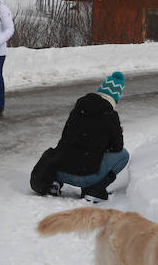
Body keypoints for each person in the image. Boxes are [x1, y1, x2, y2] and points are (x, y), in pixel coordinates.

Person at [51, 71, 130, 203]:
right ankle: (94, 189)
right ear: (115, 99)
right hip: (85, 176)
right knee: (123, 155)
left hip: (61, 170)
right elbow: (117, 147)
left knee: (67, 147)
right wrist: (116, 133)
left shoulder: (78, 108)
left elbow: (66, 137)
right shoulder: (110, 115)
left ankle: (55, 182)